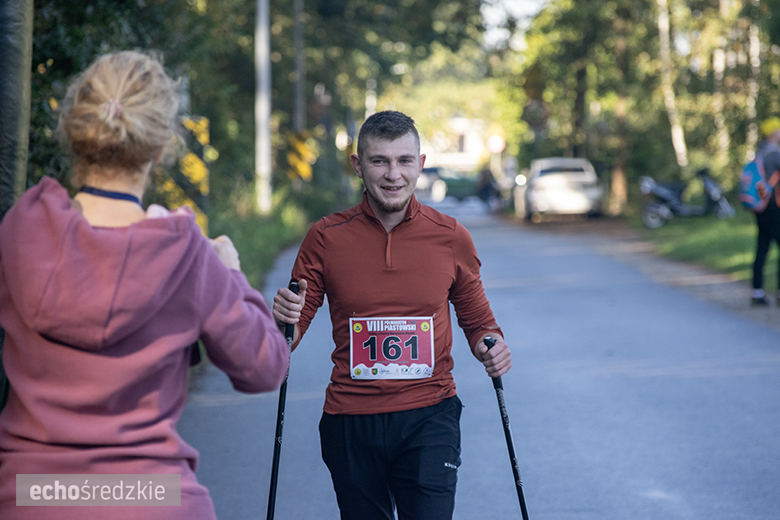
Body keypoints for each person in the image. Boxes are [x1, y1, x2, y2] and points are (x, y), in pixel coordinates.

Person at [0, 51, 290, 519]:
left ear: (75, 132)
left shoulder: (22, 230)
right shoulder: (186, 254)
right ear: (160, 148)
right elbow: (265, 367)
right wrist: (231, 273)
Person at [272, 110, 512, 520]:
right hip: (351, 419)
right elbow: (286, 337)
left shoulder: (450, 236)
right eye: (379, 161)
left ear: (420, 165)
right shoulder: (326, 237)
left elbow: (479, 323)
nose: (393, 174)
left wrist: (493, 347)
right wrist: (283, 320)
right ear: (358, 165)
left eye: (404, 161)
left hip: (429, 416)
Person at [751, 117, 780, 306]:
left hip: (760, 207)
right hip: (775, 208)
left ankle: (757, 293)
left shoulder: (759, 153)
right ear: (773, 133)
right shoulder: (775, 154)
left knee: (761, 249)